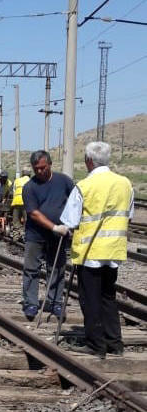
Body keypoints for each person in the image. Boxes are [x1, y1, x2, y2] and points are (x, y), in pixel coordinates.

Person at [58, 141, 134, 357]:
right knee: (108, 296)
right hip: (113, 251)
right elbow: (128, 216)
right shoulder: (125, 184)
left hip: (90, 251)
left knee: (89, 298)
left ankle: (95, 344)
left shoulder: (84, 186)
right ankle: (114, 343)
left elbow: (69, 221)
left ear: (88, 160)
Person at [21, 150, 74, 320]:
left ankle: (55, 302)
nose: (39, 171)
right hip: (35, 234)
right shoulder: (29, 187)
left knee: (57, 268)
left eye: (42, 167)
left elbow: (75, 201)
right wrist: (54, 227)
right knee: (31, 268)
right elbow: (34, 213)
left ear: (50, 164)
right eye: (36, 168)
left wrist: (71, 223)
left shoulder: (64, 181)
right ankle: (30, 303)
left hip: (59, 235)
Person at [11, 170, 31, 242]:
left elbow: (13, 192)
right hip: (26, 203)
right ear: (29, 175)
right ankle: (25, 236)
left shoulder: (17, 180)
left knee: (16, 220)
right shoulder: (31, 181)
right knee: (27, 220)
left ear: (22, 174)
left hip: (16, 202)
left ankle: (16, 237)